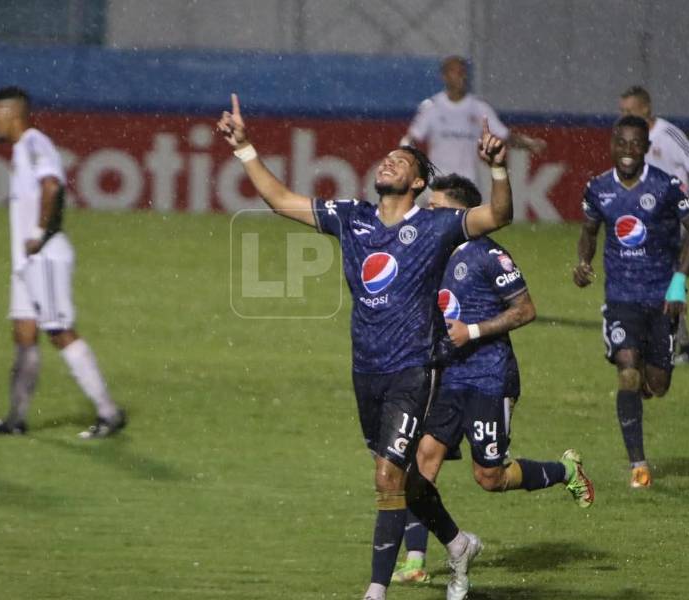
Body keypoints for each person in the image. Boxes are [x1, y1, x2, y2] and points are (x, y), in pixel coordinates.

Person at [218, 95, 513, 600]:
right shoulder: (351, 216)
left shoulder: (434, 224)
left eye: (403, 160)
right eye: (387, 158)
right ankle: (458, 543)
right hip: (366, 370)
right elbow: (281, 201)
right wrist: (245, 149)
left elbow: (498, 216)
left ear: (419, 183)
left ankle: (375, 591)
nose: (390, 161)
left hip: (414, 369)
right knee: (403, 481)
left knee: (384, 477)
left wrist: (500, 171)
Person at [392, 174, 594, 585]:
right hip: (448, 377)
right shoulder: (430, 253)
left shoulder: (489, 255)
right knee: (420, 466)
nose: (427, 212)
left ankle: (565, 472)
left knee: (490, 477)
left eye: (436, 207)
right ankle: (415, 561)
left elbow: (525, 310)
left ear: (460, 213)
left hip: (489, 377)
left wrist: (473, 331)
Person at [0, 87, 126, 439]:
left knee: (58, 330)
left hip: (45, 256)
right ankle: (15, 420)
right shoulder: (20, 151)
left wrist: (40, 230)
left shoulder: (34, 142)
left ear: (12, 114)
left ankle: (109, 413)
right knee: (24, 334)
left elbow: (53, 186)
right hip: (26, 264)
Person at [573, 115, 689, 488]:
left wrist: (679, 282)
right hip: (621, 299)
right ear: (612, 145)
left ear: (648, 148)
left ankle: (643, 387)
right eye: (622, 143)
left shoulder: (666, 187)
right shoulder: (598, 188)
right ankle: (639, 465)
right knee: (627, 370)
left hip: (662, 300)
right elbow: (588, 232)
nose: (629, 151)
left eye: (636, 144)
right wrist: (584, 261)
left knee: (658, 384)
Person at [619, 85, 689, 364]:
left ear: (646, 109)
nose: (624, 116)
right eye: (622, 111)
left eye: (630, 111)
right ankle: (673, 343)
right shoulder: (632, 140)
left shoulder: (668, 134)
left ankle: (679, 346)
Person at [401, 55, 545, 188]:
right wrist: (406, 158)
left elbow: (505, 136)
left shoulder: (479, 107)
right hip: (437, 181)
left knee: (466, 216)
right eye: (454, 72)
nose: (460, 76)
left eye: (462, 72)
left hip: (467, 182)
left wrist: (529, 143)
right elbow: (412, 137)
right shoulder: (432, 107)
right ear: (444, 76)